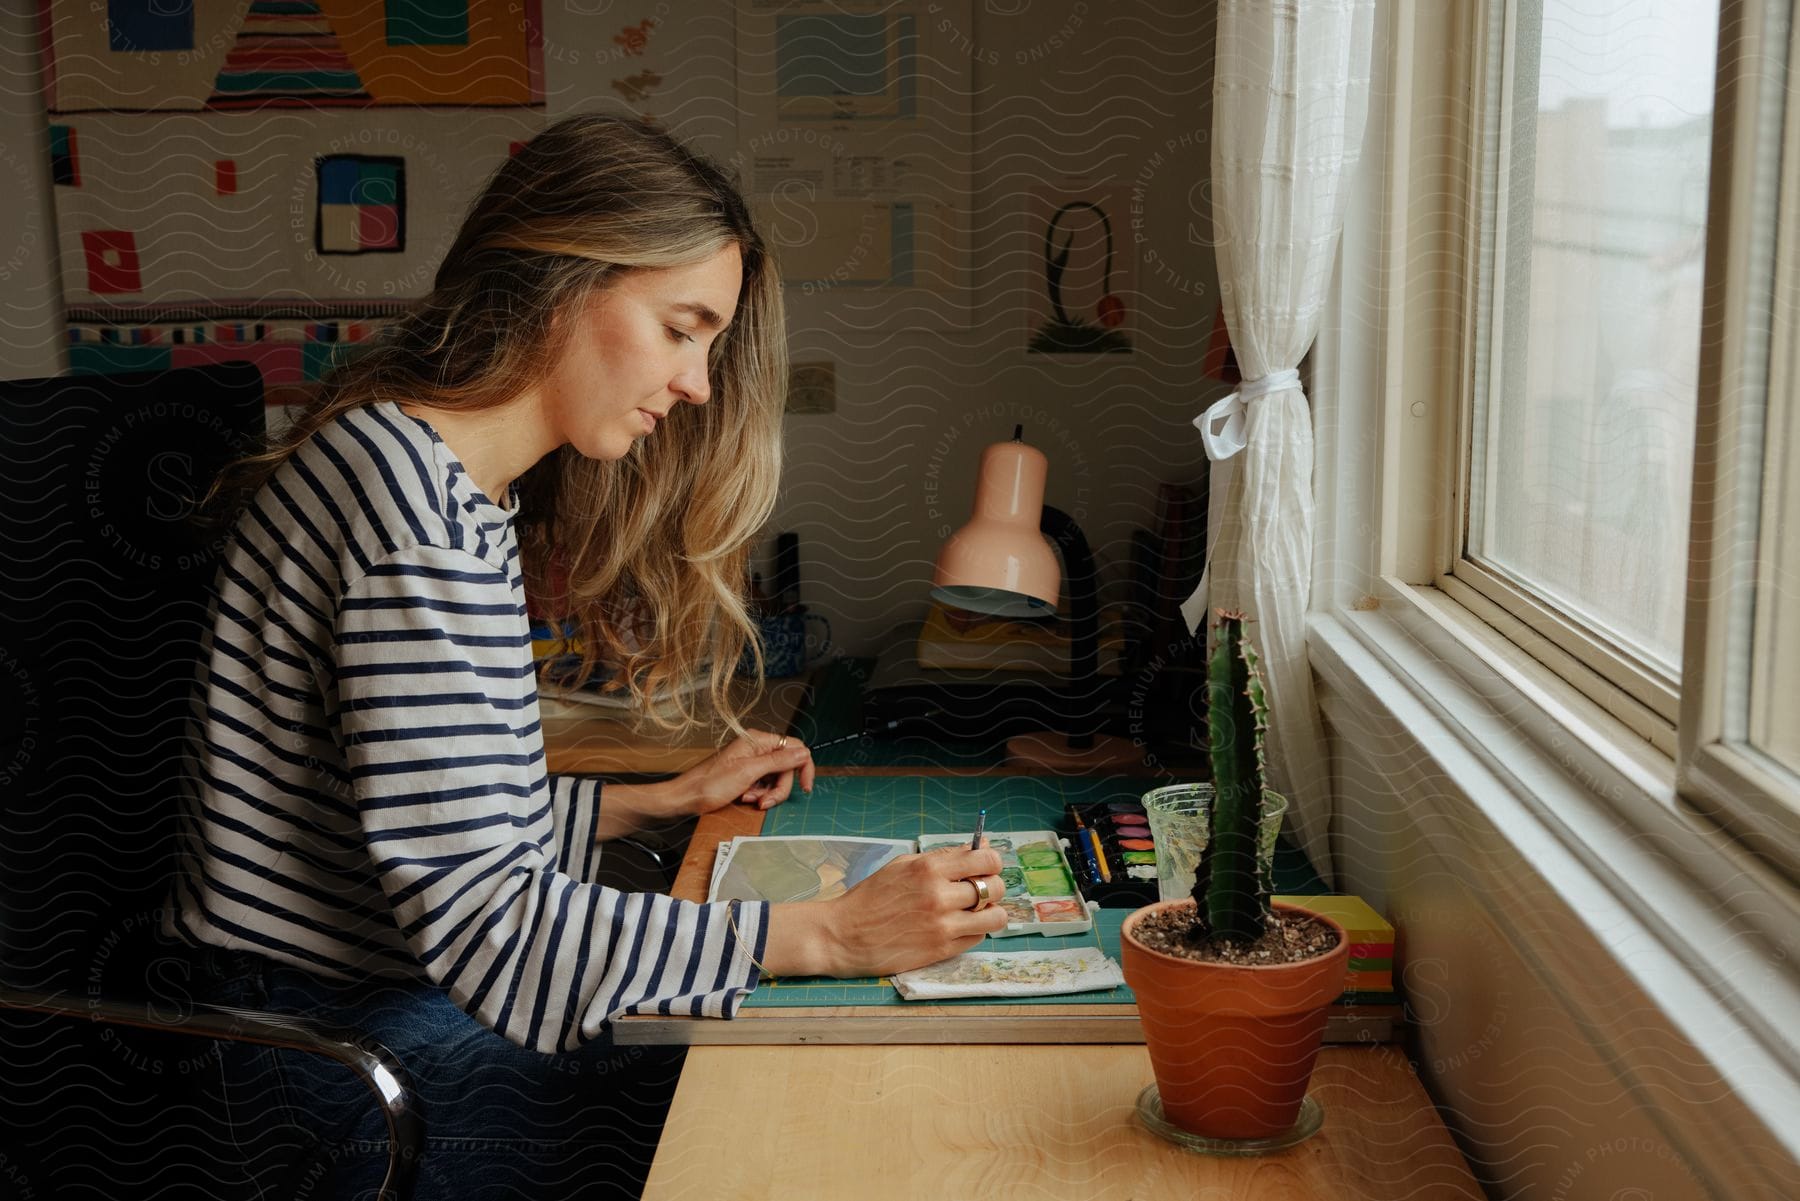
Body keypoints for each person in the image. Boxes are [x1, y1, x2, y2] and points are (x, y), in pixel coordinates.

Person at [165, 112, 1007, 1199]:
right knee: (774, 1101)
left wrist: (645, 802)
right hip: (329, 1061)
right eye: (681, 327)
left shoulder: (418, 467)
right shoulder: (416, 516)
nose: (699, 382)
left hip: (316, 1015)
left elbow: (407, 815)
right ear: (559, 284)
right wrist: (829, 933)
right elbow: (487, 922)